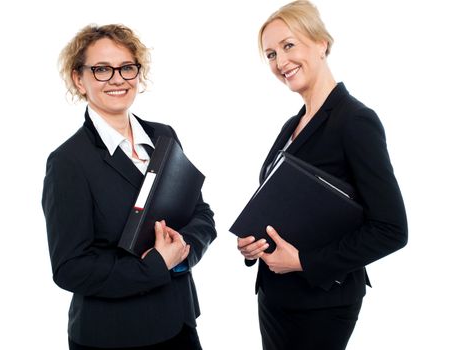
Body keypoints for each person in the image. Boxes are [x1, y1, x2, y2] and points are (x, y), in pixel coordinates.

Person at [237, 1, 408, 349]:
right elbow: (282, 203)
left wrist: (303, 262)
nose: (280, 62)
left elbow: (392, 229)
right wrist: (252, 245)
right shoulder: (292, 125)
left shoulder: (355, 121)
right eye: (270, 54)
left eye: (288, 45)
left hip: (321, 305)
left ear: (321, 43)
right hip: (274, 298)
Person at [42, 24, 216, 350]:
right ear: (79, 79)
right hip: (115, 335)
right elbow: (70, 268)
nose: (118, 79)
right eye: (102, 70)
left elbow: (201, 214)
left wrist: (179, 254)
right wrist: (154, 266)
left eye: (126, 67)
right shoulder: (68, 161)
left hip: (178, 321)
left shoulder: (164, 136)